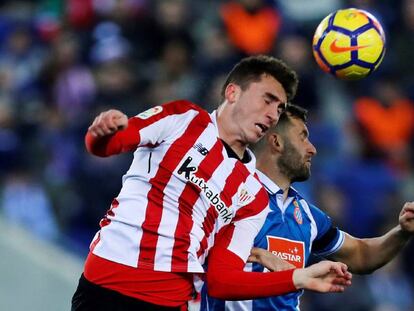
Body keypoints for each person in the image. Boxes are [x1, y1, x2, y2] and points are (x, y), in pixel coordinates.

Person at [71, 55, 352, 311]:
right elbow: (110, 143)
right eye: (267, 100)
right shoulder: (181, 118)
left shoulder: (252, 196)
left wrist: (297, 277)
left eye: (279, 109)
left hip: (169, 301)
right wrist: (102, 130)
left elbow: (222, 281)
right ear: (233, 92)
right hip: (105, 283)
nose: (272, 115)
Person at [201, 103, 414, 310]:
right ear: (276, 142)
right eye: (302, 137)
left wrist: (402, 231)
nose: (312, 149)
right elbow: (192, 251)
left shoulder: (308, 216)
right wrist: (257, 253)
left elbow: (362, 255)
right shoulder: (230, 194)